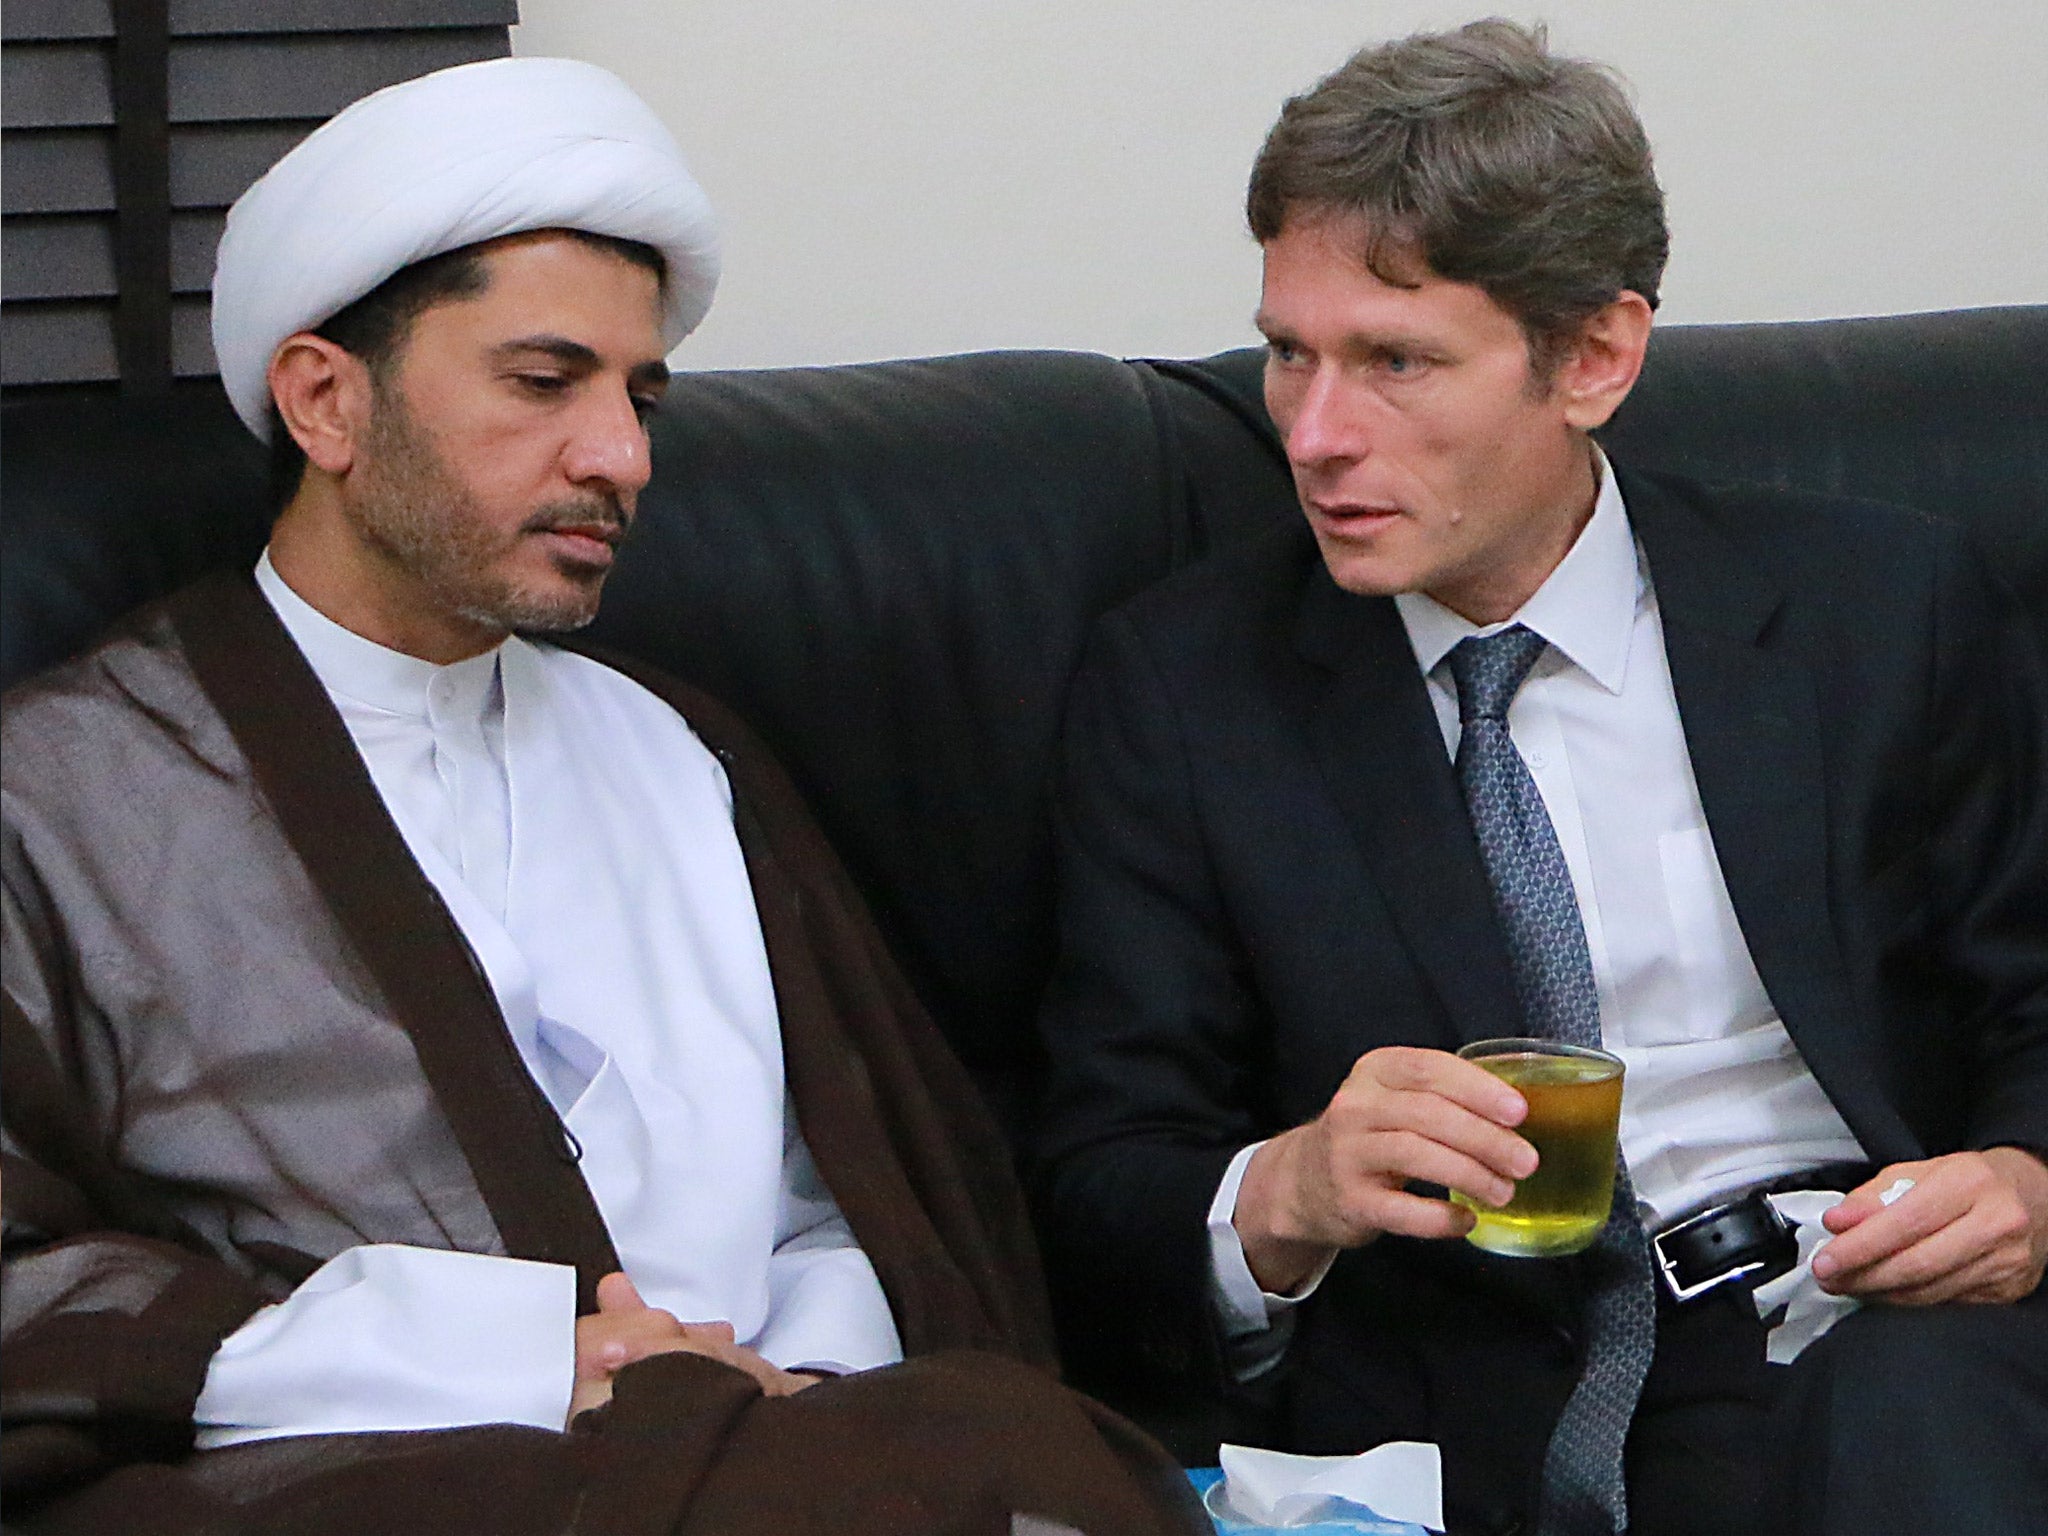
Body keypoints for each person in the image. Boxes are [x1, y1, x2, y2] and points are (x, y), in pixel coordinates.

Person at [0, 57, 1204, 1536]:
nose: (622, 458)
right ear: (326, 400)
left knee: (1024, 1457)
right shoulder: (64, 792)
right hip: (385, 1476)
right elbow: (30, 1290)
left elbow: (848, 1210)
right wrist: (524, 1363)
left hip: (785, 1460)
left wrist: (782, 1391)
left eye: (640, 396)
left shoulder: (679, 755)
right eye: (543, 382)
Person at [1032, 20, 2048, 1536]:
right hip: (1503, 1395)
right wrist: (1288, 1191)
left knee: (1916, 1414)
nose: (1312, 434)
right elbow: (1092, 1181)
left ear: (1595, 358)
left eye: (1396, 362)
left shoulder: (1875, 614)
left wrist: (2031, 1182)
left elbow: (2036, 1002)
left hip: (1878, 1328)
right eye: (1290, 353)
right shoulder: (1185, 693)